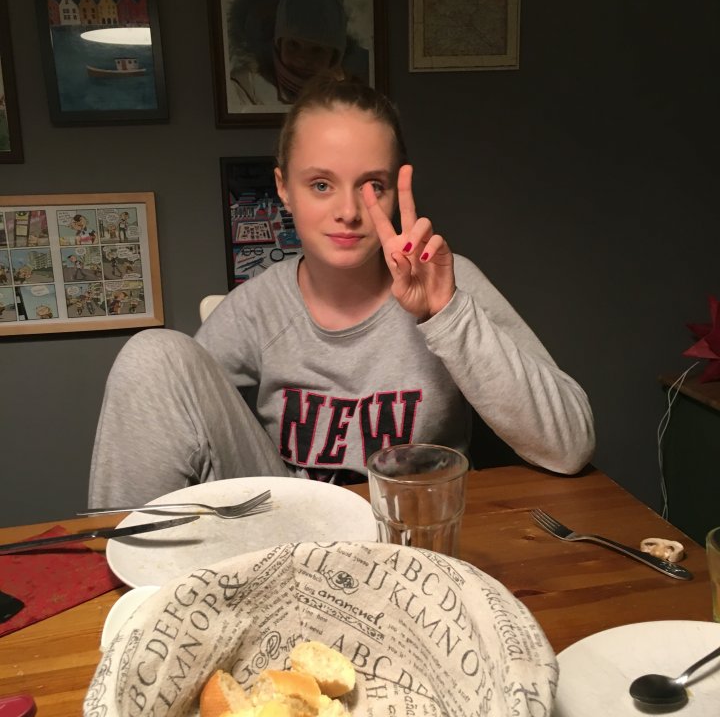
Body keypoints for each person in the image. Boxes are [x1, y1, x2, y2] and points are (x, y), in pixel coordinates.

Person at [88, 77, 594, 508]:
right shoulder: (258, 309)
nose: (349, 212)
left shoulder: (449, 280)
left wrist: (447, 313)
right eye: (321, 185)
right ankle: (119, 583)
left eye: (372, 186)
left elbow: (570, 446)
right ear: (284, 188)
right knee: (152, 352)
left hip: (414, 533)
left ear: (395, 191)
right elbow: (179, 411)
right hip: (290, 532)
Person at [228, 0, 369, 109]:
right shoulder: (245, 88)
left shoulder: (355, 96)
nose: (303, 59)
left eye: (317, 50)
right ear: (279, 44)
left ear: (334, 56)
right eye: (293, 45)